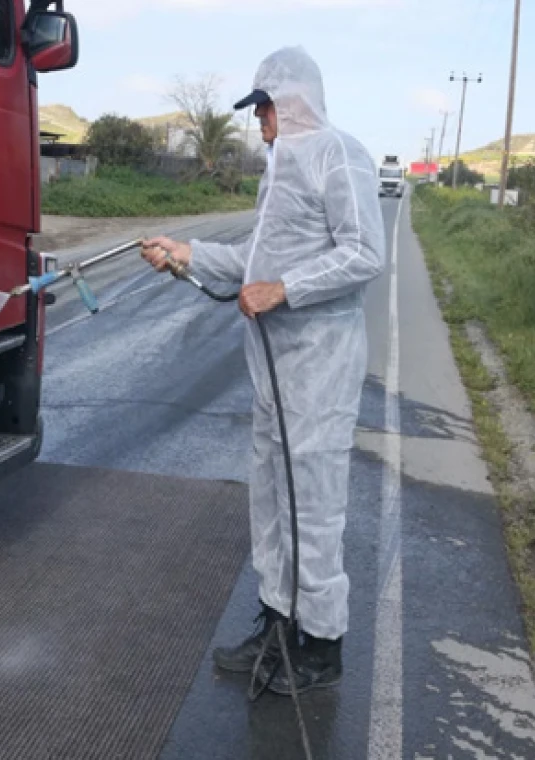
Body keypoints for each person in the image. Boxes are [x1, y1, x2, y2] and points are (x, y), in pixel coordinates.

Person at [141, 46, 385, 694]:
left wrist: (284, 289)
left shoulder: (340, 153)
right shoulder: (275, 172)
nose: (259, 122)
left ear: (293, 101)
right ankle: (277, 625)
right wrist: (186, 254)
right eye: (256, 110)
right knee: (273, 502)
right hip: (276, 373)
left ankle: (321, 643)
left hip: (320, 367)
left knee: (315, 506)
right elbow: (254, 260)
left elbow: (364, 253)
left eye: (265, 108)